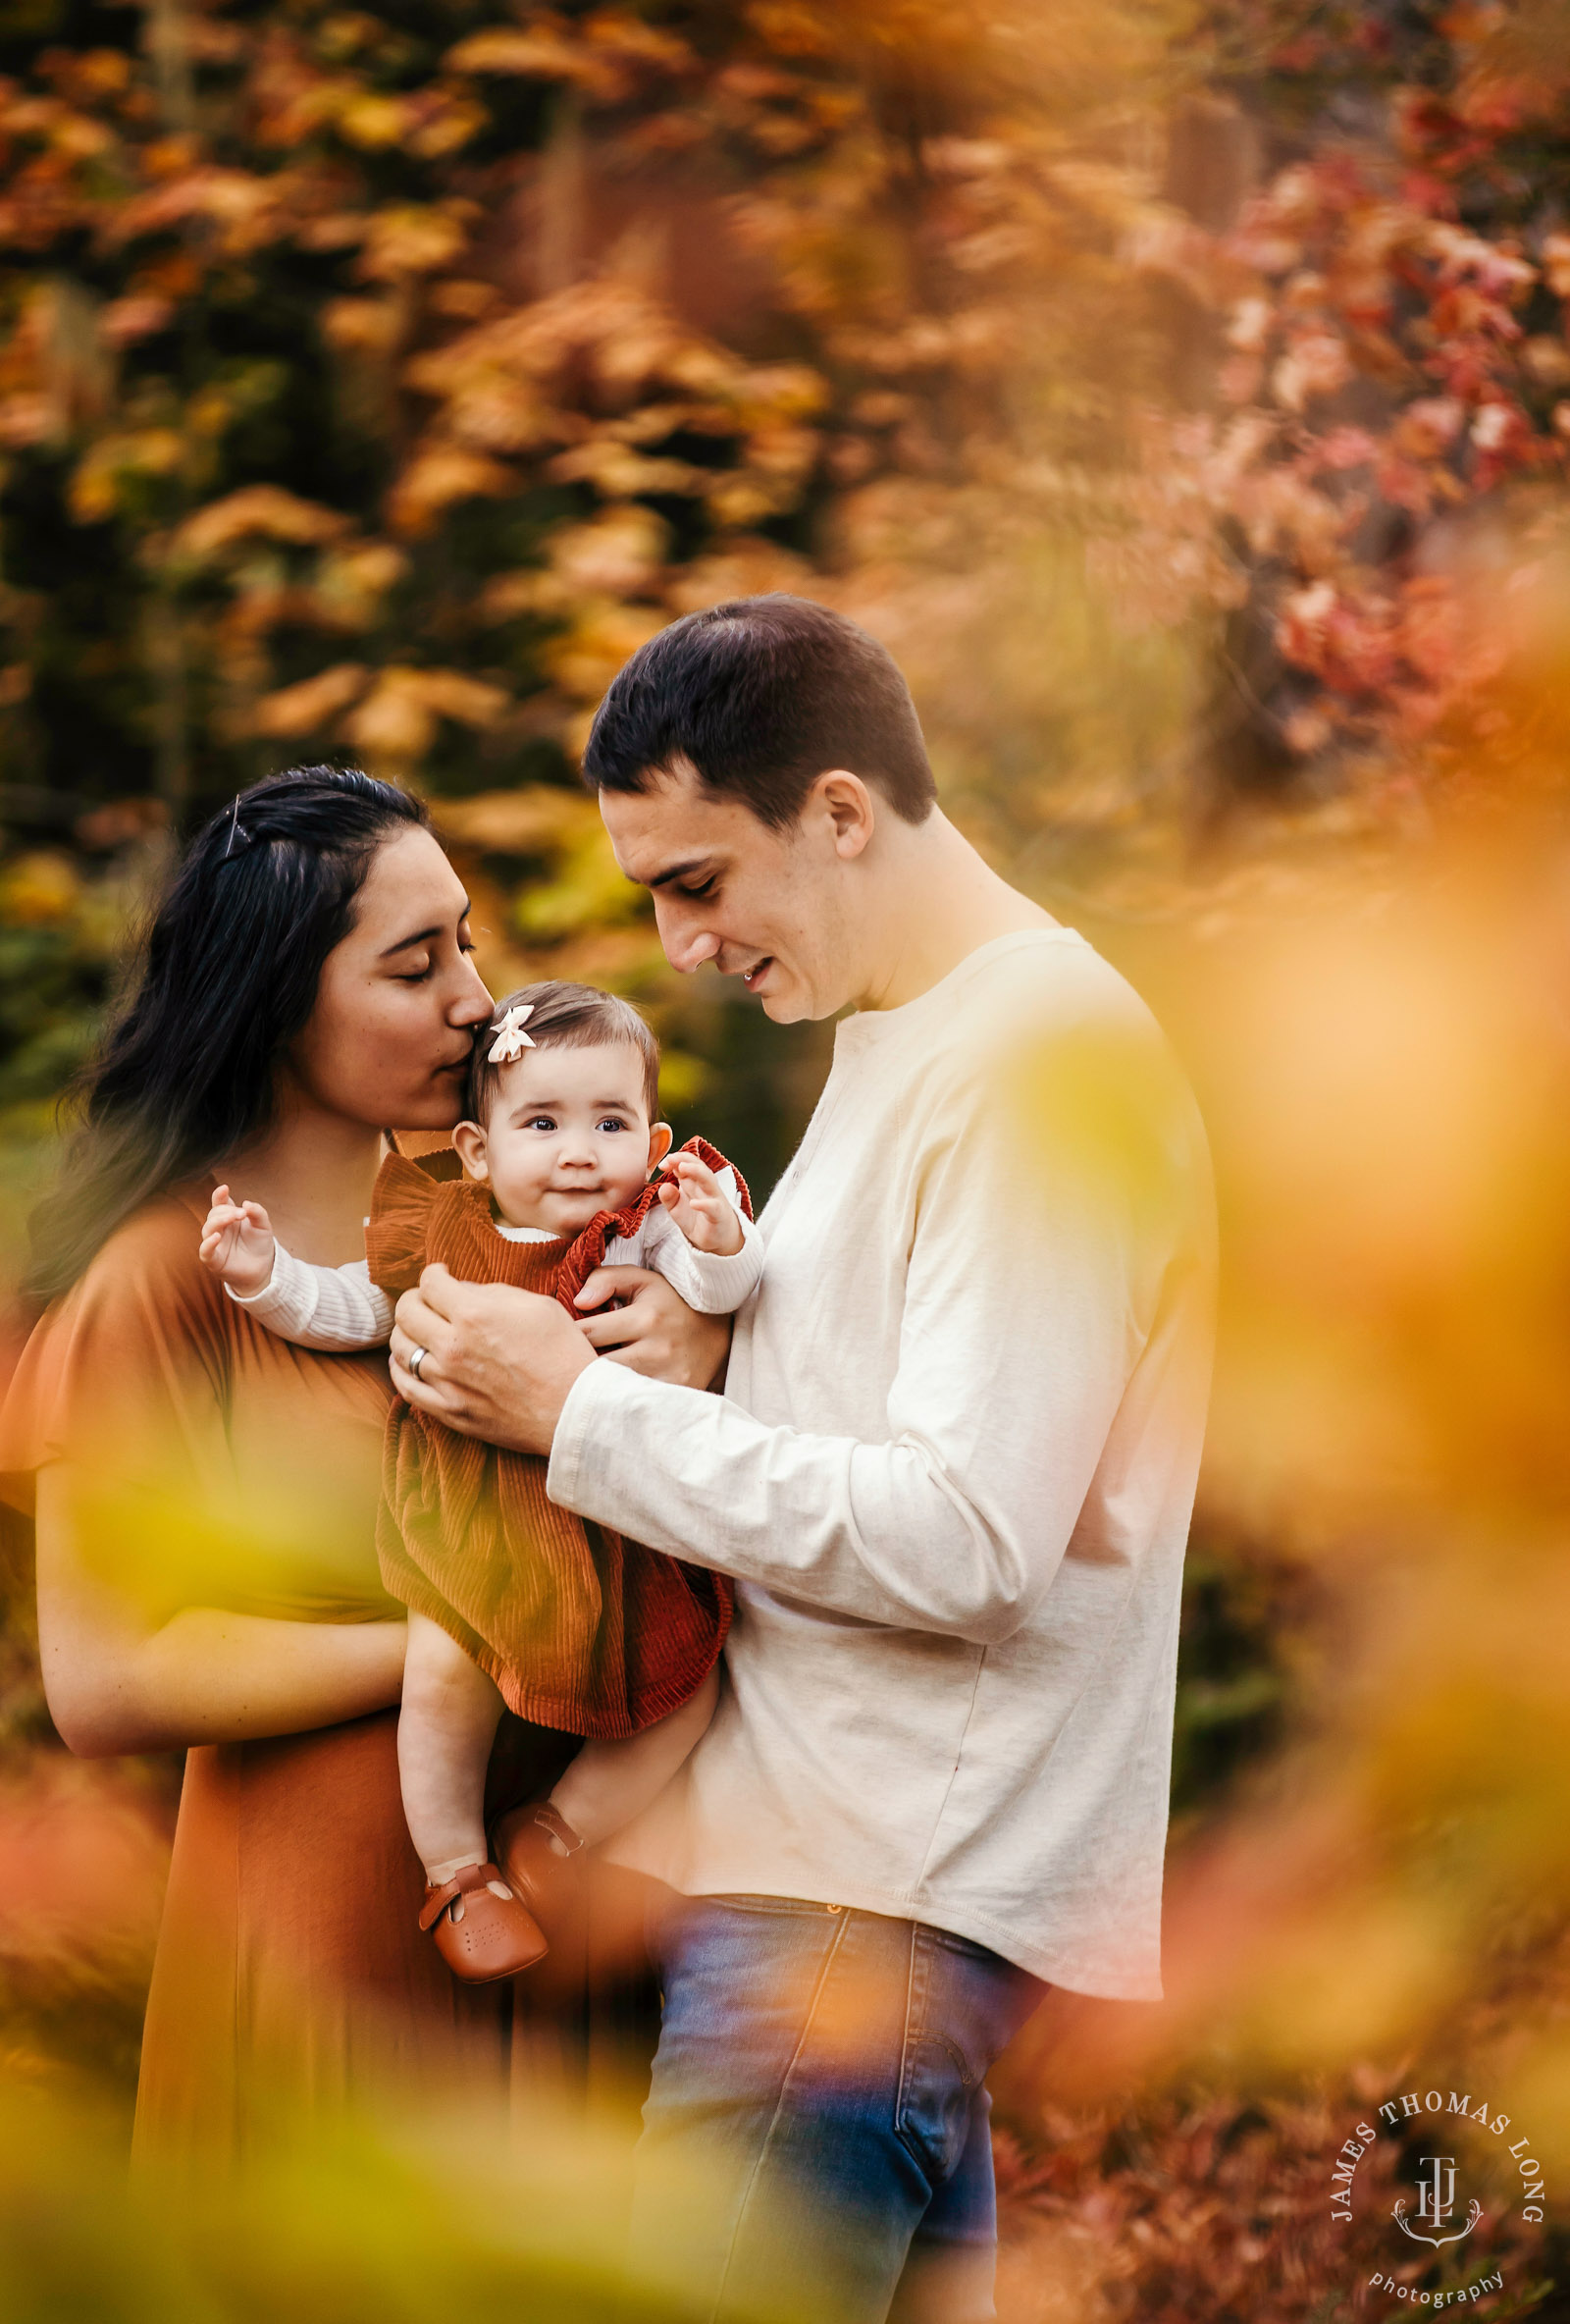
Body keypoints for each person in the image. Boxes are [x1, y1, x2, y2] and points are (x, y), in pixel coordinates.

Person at [388, 596, 1219, 2323]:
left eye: (698, 884)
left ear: (841, 812)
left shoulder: (1035, 1056)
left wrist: (585, 1413)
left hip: (852, 1922)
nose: (681, 949)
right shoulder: (904, 1043)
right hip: (839, 1905)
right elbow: (888, 1439)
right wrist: (698, 1346)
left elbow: (976, 1536)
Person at [0, 767, 727, 2168]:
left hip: (574, 1955)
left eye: (467, 942)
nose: (476, 1000)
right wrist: (470, 1636)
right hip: (320, 1984)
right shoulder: (162, 1283)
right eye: (416, 964)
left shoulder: (534, 1242)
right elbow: (106, 1678)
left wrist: (692, 1333)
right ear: (279, 999)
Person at [198, 978, 761, 1981]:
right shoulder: (445, 1236)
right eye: (541, 1122)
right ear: (476, 1149)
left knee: (687, 1685)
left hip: (625, 1531)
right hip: (475, 1531)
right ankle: (458, 1873)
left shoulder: (651, 1226)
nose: (579, 1150)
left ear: (652, 1135)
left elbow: (726, 1287)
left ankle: (558, 1834)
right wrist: (262, 1276)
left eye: (610, 1121)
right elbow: (352, 1311)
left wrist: (718, 1243)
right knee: (443, 1684)